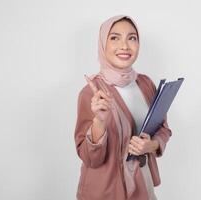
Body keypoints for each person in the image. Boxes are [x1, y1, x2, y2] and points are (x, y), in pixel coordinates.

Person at [74, 15, 172, 200]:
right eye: (114, 37)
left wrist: (152, 145)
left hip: (143, 186)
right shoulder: (91, 93)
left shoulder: (145, 84)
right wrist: (99, 122)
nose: (125, 46)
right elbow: (91, 159)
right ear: (103, 44)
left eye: (132, 38)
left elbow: (163, 129)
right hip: (105, 192)